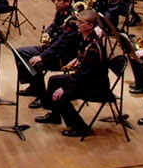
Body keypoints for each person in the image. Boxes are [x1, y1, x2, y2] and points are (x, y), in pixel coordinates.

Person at [34, 9, 108, 137]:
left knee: (61, 95)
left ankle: (80, 128)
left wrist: (64, 88)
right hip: (87, 79)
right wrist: (77, 60)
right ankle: (55, 115)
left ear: (90, 26)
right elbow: (84, 62)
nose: (77, 24)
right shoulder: (87, 38)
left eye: (81, 22)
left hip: (96, 86)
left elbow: (86, 75)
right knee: (53, 80)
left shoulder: (94, 47)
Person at [18, 0, 80, 109]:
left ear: (68, 2)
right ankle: (34, 87)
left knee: (37, 63)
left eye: (58, 0)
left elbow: (61, 44)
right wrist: (47, 33)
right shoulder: (61, 12)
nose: (55, 2)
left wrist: (42, 56)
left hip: (62, 56)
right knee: (21, 53)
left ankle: (42, 96)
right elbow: (53, 26)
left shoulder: (72, 20)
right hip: (51, 49)